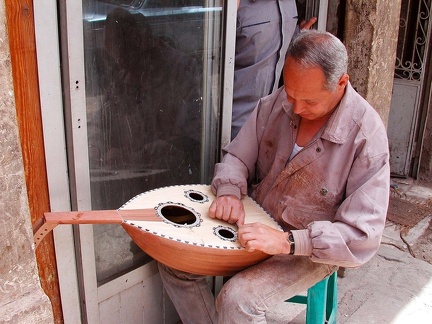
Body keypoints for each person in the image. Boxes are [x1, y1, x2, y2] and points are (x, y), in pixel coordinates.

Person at [158, 30, 390, 323]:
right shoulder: (279, 103)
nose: (296, 108)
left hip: (311, 248)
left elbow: (361, 235)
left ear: (341, 83)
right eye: (290, 94)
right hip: (256, 222)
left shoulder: (366, 137)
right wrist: (229, 191)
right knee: (175, 261)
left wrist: (287, 242)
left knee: (238, 300)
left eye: (309, 101)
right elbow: (239, 156)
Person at [231, 0, 317, 139]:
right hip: (232, 122)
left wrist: (298, 36)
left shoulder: (288, 3)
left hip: (270, 120)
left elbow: (272, 45)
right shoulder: (234, 5)